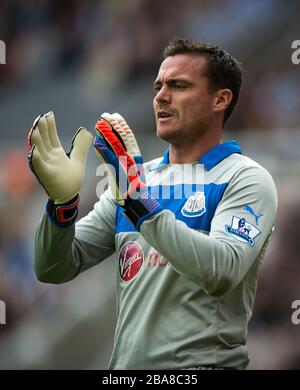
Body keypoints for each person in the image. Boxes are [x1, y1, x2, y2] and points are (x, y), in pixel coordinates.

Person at [28, 38, 278, 370]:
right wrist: (62, 205)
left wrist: (137, 200)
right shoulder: (136, 181)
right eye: (158, 86)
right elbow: (53, 267)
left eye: (179, 85)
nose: (161, 96)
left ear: (220, 99)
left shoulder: (245, 178)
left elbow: (221, 270)